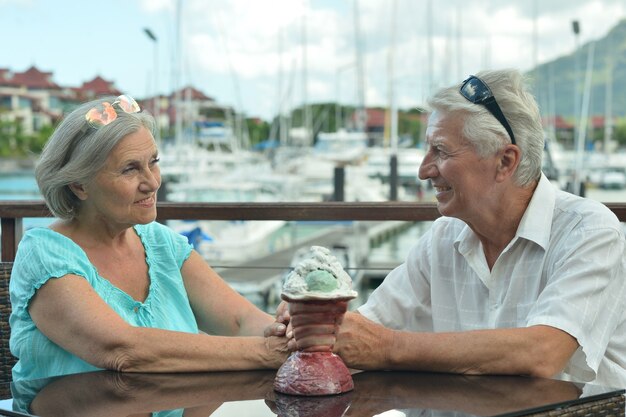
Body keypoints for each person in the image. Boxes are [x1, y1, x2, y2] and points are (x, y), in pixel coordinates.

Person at [281, 69, 626, 388]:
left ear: (505, 161)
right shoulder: (443, 237)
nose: (423, 170)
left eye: (440, 151)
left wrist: (387, 348)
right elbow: (365, 328)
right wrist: (315, 321)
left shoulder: (588, 231)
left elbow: (543, 352)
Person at [9, 95, 288, 381]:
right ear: (79, 185)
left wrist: (292, 331)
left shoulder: (160, 243)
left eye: (153, 162)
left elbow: (241, 321)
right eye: (130, 168)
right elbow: (122, 350)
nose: (153, 182)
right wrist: (265, 351)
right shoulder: (46, 254)